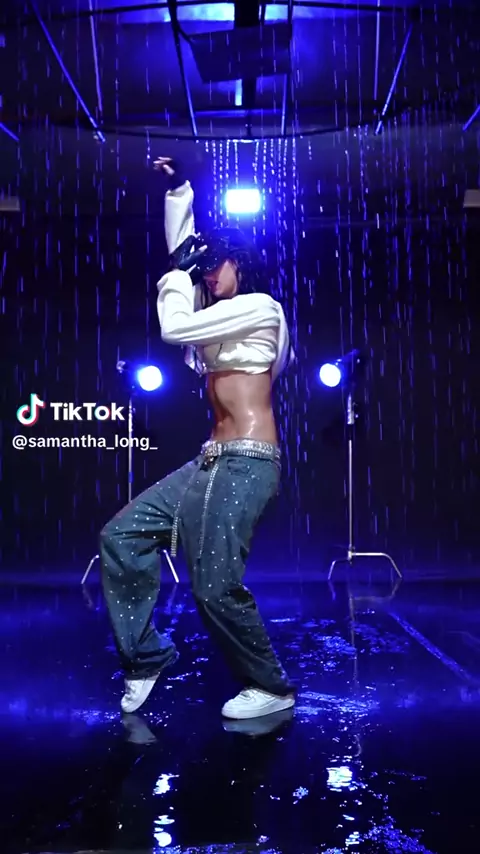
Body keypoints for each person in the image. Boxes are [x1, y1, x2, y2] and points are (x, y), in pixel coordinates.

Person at [99, 156, 295, 720]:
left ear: (242, 264)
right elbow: (182, 257)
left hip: (246, 462)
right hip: (209, 462)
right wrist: (180, 191)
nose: (207, 275)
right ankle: (147, 656)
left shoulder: (259, 308)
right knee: (122, 536)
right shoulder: (222, 315)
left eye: (216, 265)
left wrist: (179, 275)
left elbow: (174, 323)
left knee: (213, 586)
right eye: (204, 269)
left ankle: (270, 686)